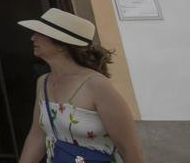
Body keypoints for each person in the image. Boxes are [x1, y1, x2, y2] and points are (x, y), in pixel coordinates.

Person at [16, 8, 146, 163]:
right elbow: (37, 134)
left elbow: (130, 149)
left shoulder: (96, 85)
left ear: (62, 45)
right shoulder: (43, 82)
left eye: (40, 34)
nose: (33, 38)